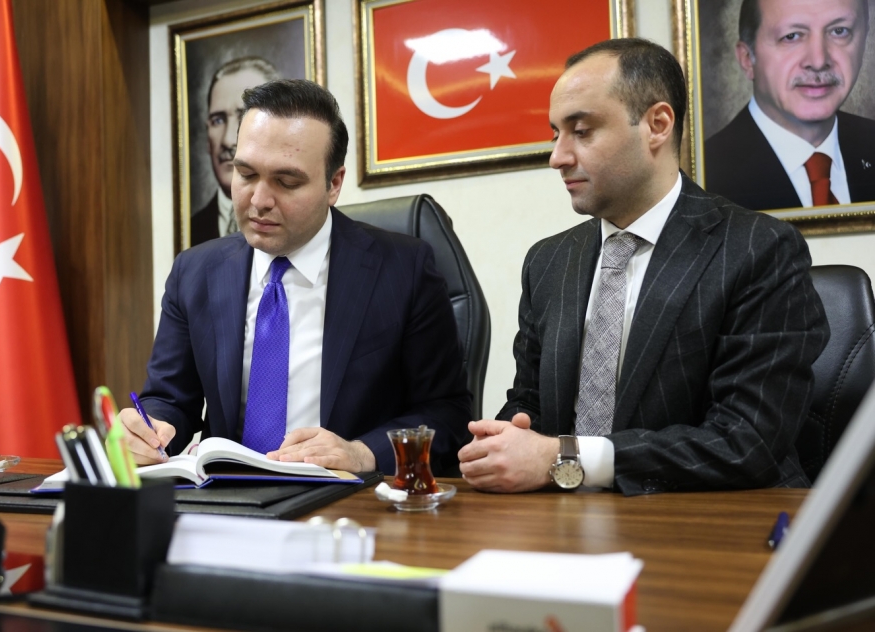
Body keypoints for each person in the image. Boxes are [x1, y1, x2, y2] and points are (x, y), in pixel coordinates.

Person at [458, 38, 829, 495]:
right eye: (556, 134)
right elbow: (531, 403)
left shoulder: (759, 249)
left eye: (582, 131)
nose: (557, 157)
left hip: (711, 517)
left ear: (657, 125)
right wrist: (501, 443)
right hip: (564, 517)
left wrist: (565, 457)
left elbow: (747, 440)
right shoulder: (548, 261)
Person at [124, 79, 471, 472]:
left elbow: (448, 414)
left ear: (333, 184)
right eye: (245, 174)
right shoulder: (196, 272)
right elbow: (169, 398)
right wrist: (151, 430)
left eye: (286, 182)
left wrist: (362, 452)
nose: (259, 201)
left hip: (347, 497)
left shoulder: (403, 270)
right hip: (227, 496)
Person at [705, 0, 875, 211]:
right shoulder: (703, 178)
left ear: (864, 41)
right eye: (791, 36)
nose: (818, 61)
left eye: (839, 31)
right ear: (747, 59)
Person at [191, 57, 280, 246]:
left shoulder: (302, 221)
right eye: (217, 120)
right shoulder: (192, 231)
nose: (228, 140)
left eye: (243, 117)